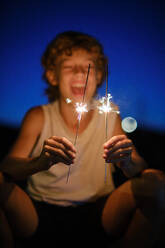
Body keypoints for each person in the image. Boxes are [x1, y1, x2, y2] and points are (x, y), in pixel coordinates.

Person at [0, 30, 165, 248]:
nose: (80, 73)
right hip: (39, 212)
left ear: (97, 77)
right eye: (69, 67)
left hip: (100, 210)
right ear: (52, 76)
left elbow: (140, 167)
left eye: (88, 66)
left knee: (156, 182)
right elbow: (8, 165)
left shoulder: (110, 116)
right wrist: (39, 163)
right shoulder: (38, 116)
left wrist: (126, 161)